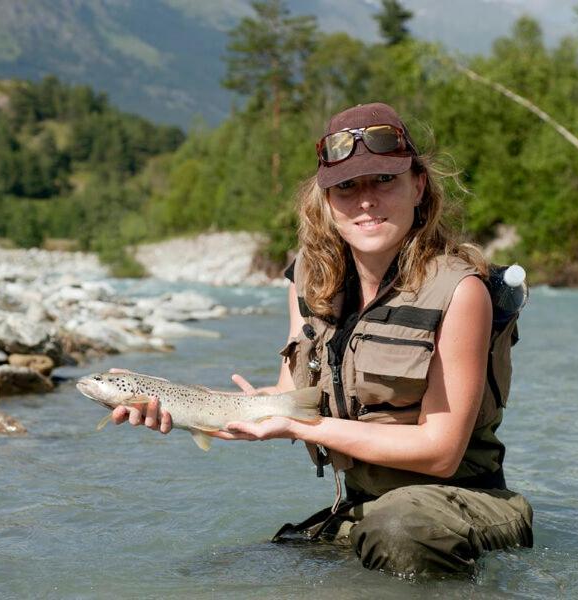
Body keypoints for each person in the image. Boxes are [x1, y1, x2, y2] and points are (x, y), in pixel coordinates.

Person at [110, 102, 533, 576]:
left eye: (384, 180)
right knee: (220, 572)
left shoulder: (461, 291)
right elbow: (292, 402)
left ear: (418, 186)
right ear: (326, 202)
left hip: (468, 504)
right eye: (347, 187)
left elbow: (440, 451)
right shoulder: (309, 282)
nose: (366, 200)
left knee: (398, 531)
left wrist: (295, 427)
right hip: (365, 513)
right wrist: (170, 399)